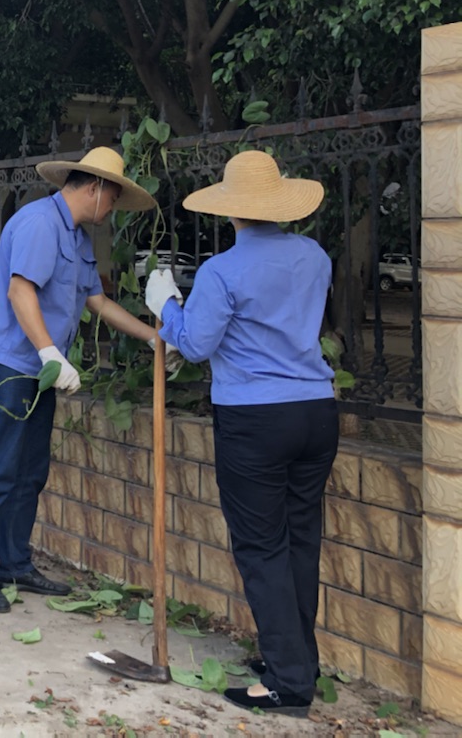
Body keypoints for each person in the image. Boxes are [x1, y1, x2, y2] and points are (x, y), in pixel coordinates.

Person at [146, 151, 333, 718]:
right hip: (316, 410)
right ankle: (299, 659)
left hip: (255, 419)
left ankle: (288, 683)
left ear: (231, 211)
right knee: (301, 539)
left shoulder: (221, 271)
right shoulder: (316, 257)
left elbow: (196, 345)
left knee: (261, 545)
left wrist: (167, 306)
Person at [0, 147, 159, 613]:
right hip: (8, 364)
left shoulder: (77, 237)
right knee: (0, 468)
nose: (112, 210)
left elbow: (97, 301)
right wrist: (50, 350)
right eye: (113, 200)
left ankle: (15, 564)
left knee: (30, 471)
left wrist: (153, 337)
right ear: (95, 189)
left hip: (40, 371)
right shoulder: (39, 224)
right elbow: (20, 290)